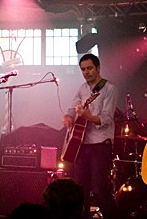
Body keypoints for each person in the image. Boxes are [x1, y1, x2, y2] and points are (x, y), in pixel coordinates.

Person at [62, 53, 119, 219]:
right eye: (83, 69)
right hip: (81, 145)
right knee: (80, 190)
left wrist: (88, 116)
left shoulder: (110, 89)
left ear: (98, 68)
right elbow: (72, 108)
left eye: (89, 68)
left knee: (99, 189)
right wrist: (68, 117)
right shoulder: (82, 88)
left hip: (101, 144)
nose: (86, 72)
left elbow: (107, 119)